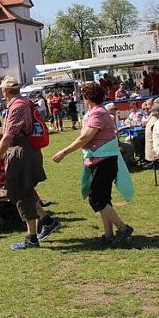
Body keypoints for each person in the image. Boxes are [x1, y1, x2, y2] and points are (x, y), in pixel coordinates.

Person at [52, 82, 134, 246]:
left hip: (104, 160)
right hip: (100, 159)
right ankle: (109, 234)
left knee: (96, 198)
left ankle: (123, 228)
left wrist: (64, 152)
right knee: (103, 198)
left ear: (87, 98)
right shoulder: (97, 113)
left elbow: (85, 138)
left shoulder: (98, 114)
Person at [0, 77, 59, 250]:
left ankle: (32, 238)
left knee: (20, 193)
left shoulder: (17, 106)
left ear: (5, 91)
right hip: (24, 151)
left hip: (21, 152)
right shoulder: (22, 102)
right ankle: (47, 222)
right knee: (25, 191)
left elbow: (8, 136)